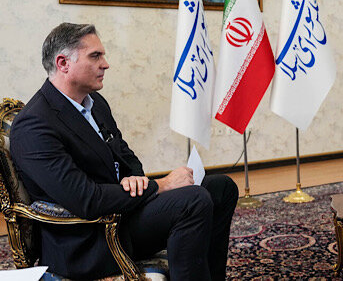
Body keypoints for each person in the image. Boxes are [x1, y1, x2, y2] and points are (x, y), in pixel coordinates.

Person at [10, 23, 239, 280]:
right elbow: (85, 200)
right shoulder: (34, 125)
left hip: (121, 213)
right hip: (89, 239)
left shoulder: (95, 103)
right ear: (63, 63)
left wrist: (134, 178)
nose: (105, 64)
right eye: (95, 56)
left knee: (221, 188)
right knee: (193, 200)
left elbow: (125, 155)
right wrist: (161, 185)